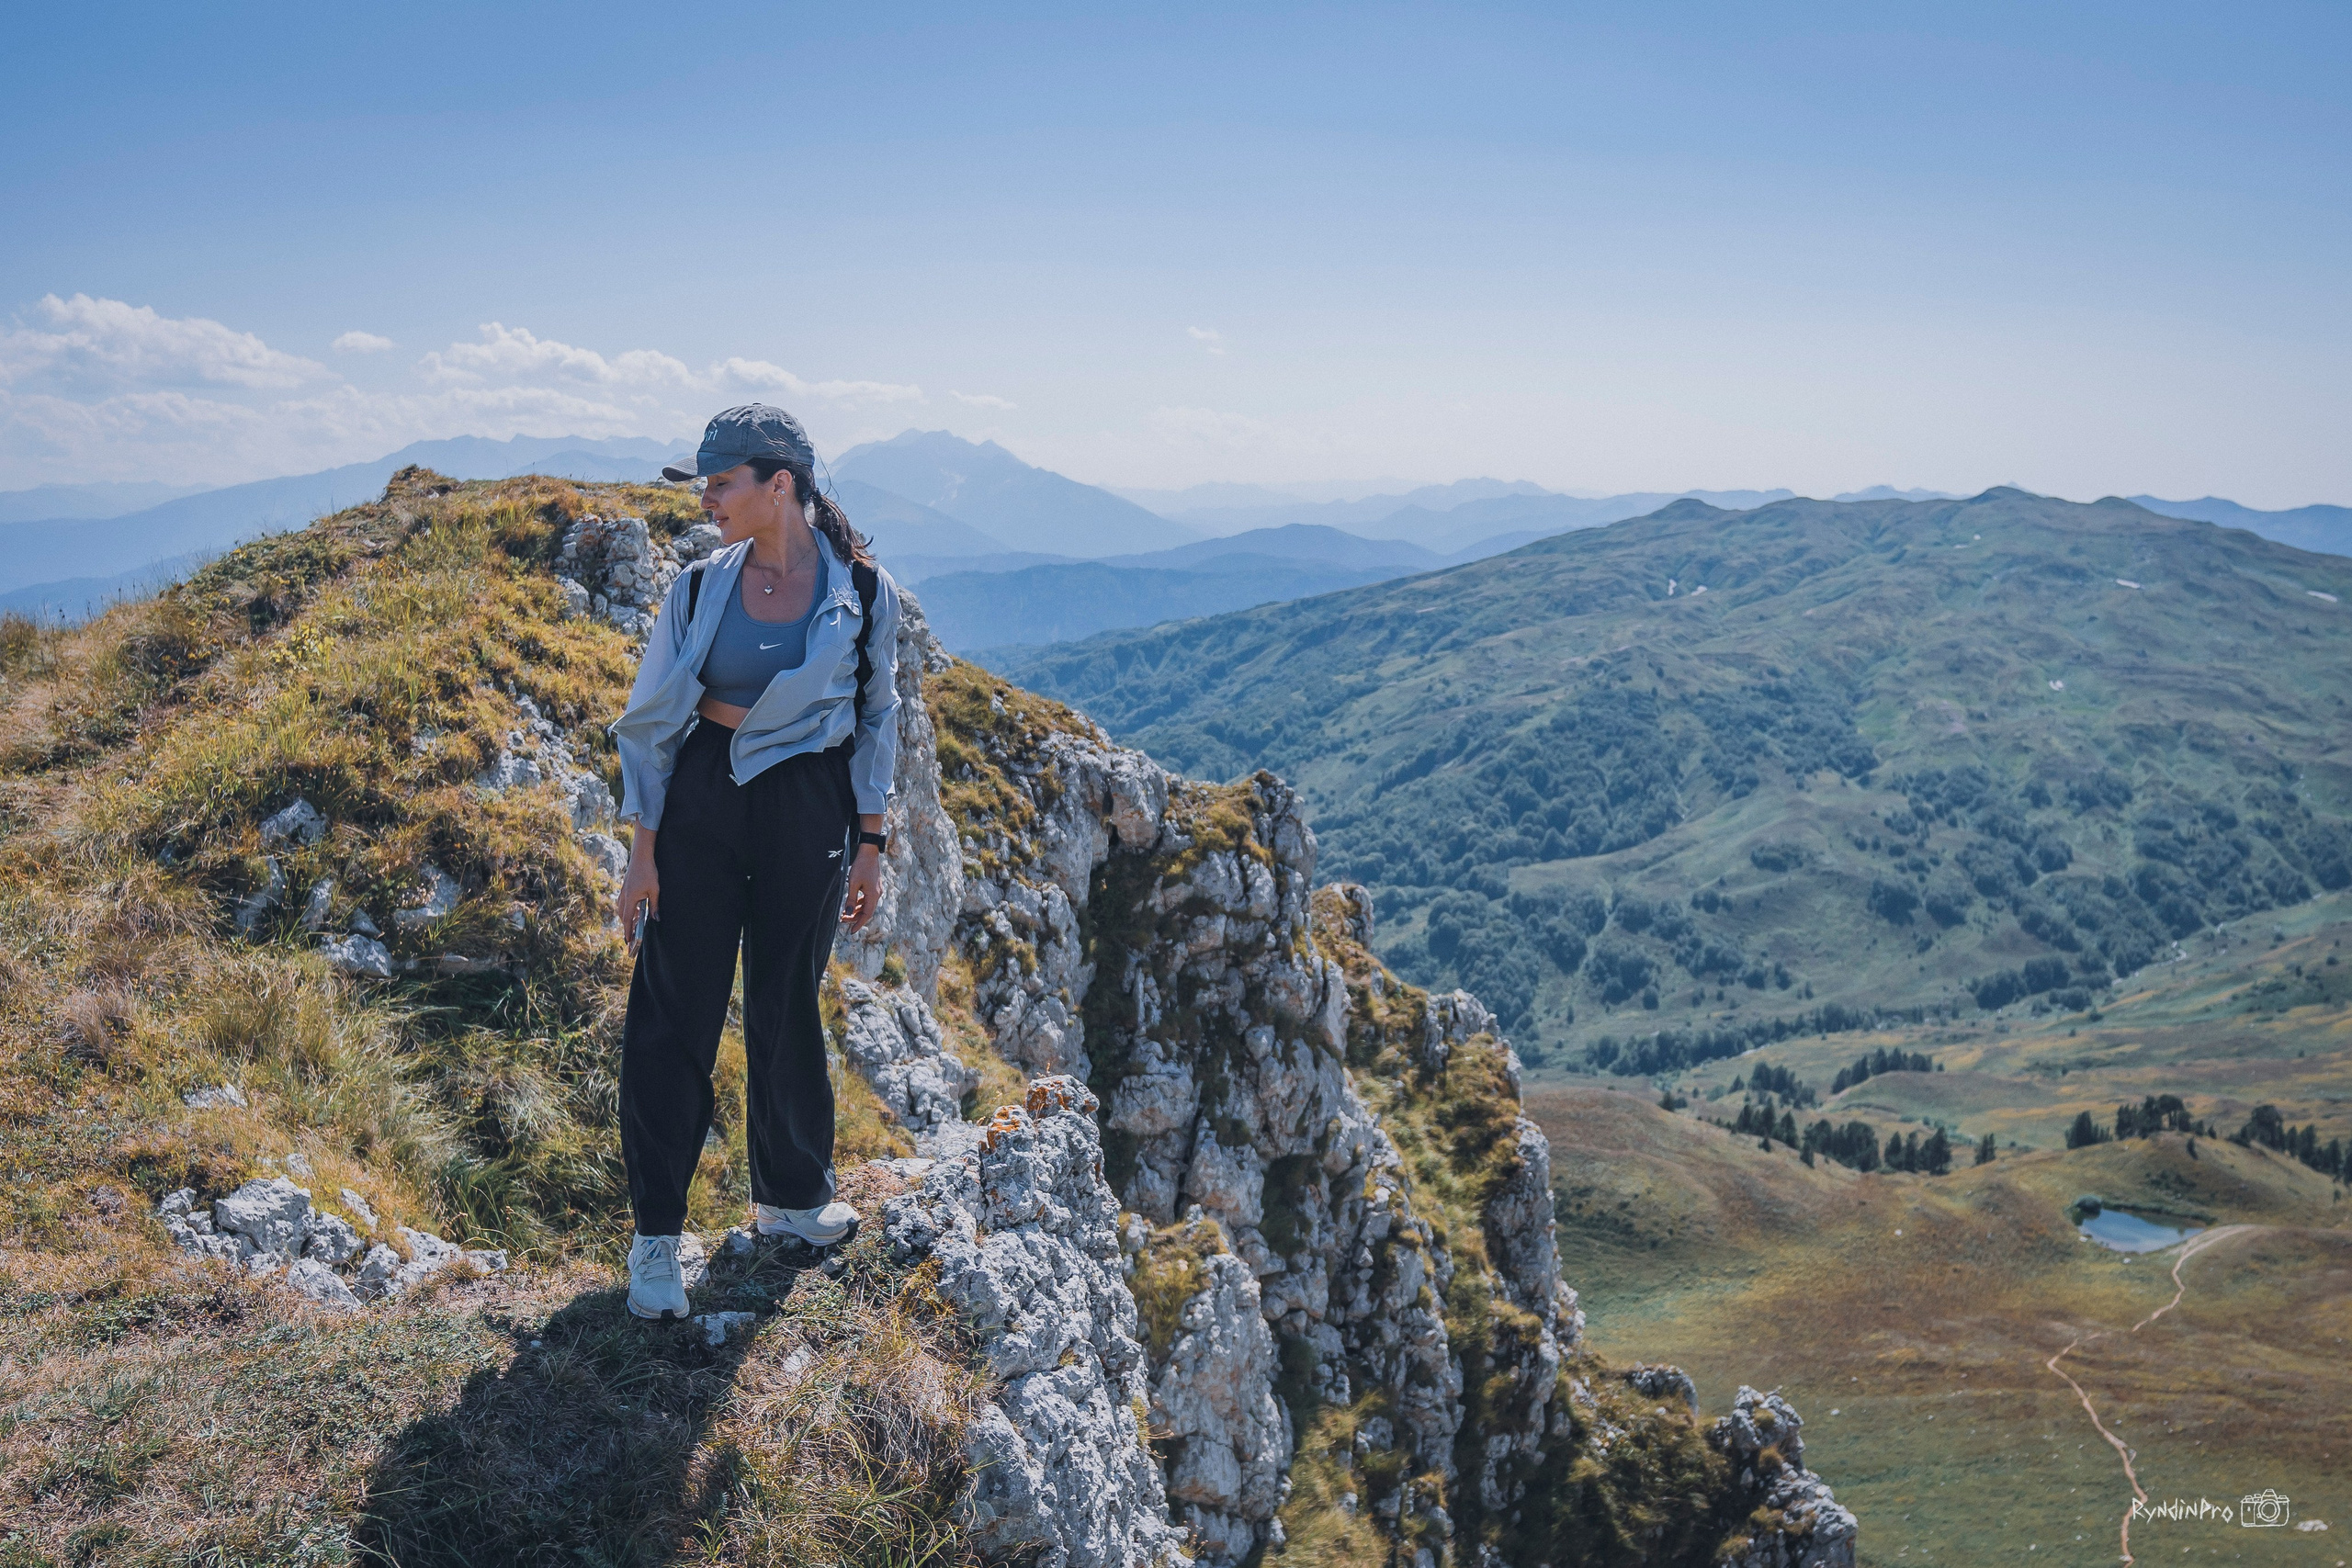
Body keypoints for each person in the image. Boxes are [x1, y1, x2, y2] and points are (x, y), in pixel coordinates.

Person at [606, 403, 902, 1320]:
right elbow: (653, 721)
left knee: (786, 1001)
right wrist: (641, 852)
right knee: (673, 1008)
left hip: (807, 801)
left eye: (722, 481)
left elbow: (879, 712)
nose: (706, 499)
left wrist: (870, 838)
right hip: (703, 796)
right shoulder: (699, 585)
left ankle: (790, 1199)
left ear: (781, 484)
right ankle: (656, 1238)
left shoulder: (860, 586)